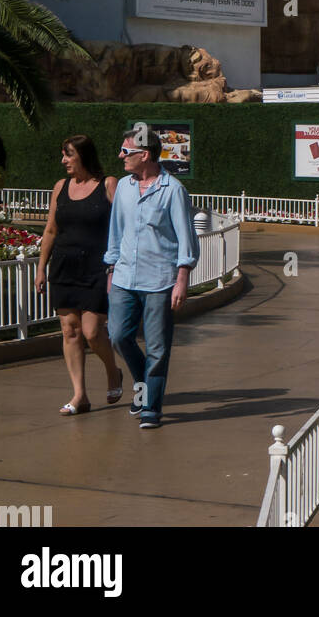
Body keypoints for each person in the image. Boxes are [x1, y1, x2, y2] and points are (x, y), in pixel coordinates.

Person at [105, 122, 199, 430]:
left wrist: (182, 278)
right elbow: (115, 232)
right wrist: (110, 267)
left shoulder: (172, 190)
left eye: (126, 151)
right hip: (123, 277)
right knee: (118, 336)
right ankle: (143, 385)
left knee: (157, 348)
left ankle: (151, 408)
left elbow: (186, 237)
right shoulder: (123, 188)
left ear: (145, 155)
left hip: (160, 279)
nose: (121, 156)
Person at [36, 136, 123, 415]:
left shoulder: (108, 185)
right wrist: (41, 267)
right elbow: (51, 230)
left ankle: (113, 371)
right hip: (64, 266)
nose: (63, 160)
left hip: (98, 268)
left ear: (83, 155)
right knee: (70, 331)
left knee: (92, 332)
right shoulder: (60, 187)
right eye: (63, 155)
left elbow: (123, 225)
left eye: (68, 155)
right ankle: (80, 395)